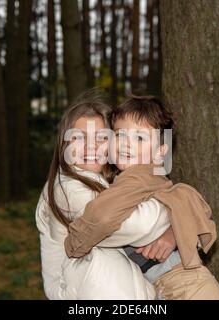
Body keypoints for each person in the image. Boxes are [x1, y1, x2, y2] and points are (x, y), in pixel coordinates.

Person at [64, 96, 219, 300]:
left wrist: (75, 243)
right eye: (120, 135)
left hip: (185, 286)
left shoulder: (137, 177)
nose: (126, 145)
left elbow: (102, 215)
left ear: (160, 152)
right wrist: (173, 230)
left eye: (139, 138)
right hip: (173, 285)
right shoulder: (146, 177)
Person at [35, 97, 176, 299]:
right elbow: (139, 226)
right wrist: (169, 207)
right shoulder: (67, 189)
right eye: (79, 138)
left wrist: (172, 232)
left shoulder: (111, 182)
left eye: (101, 137)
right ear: (64, 144)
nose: (90, 146)